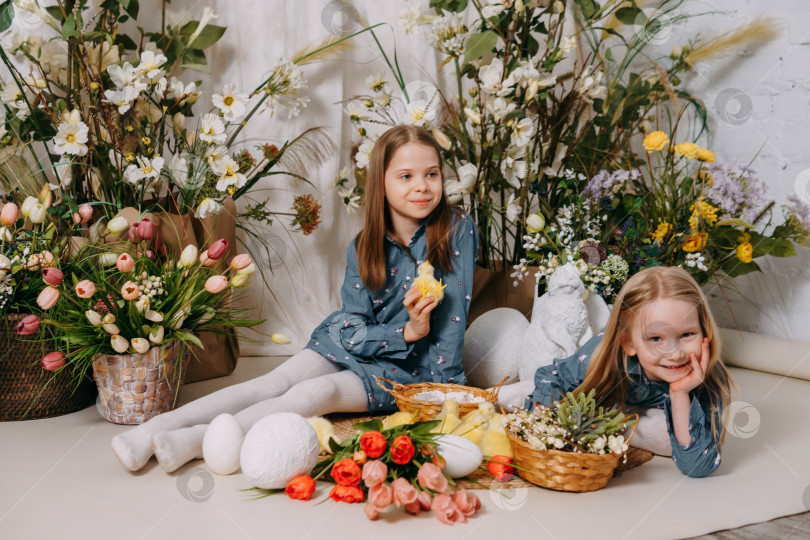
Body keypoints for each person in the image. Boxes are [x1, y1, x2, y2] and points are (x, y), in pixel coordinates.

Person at [111, 125, 479, 472]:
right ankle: (149, 431)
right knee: (269, 385)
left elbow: (452, 323)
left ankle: (199, 441)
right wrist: (404, 332)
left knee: (317, 391)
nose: (423, 187)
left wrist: (444, 391)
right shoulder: (364, 245)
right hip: (353, 343)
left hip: (407, 369)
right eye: (406, 176)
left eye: (432, 174)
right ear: (381, 184)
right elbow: (352, 327)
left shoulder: (457, 229)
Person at [499, 266, 734, 478]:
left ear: (705, 331)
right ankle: (495, 395)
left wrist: (681, 394)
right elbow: (551, 375)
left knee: (668, 436)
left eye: (686, 335)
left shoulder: (706, 375)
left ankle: (622, 419)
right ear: (629, 342)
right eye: (655, 338)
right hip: (607, 388)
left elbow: (698, 465)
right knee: (534, 393)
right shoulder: (604, 356)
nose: (674, 353)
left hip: (645, 407)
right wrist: (550, 418)